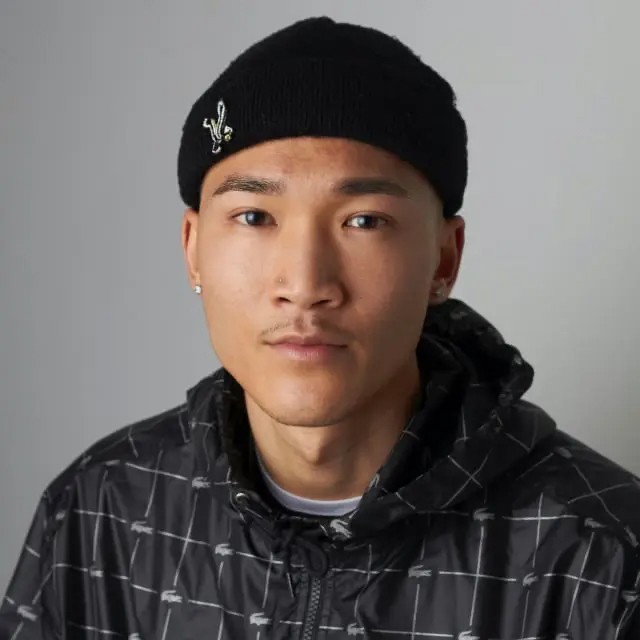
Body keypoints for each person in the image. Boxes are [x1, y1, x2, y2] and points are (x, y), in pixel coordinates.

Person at [1, 15, 639, 640]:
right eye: (254, 217)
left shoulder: (602, 557)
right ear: (193, 249)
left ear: (444, 260)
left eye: (364, 221)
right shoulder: (101, 511)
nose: (305, 284)